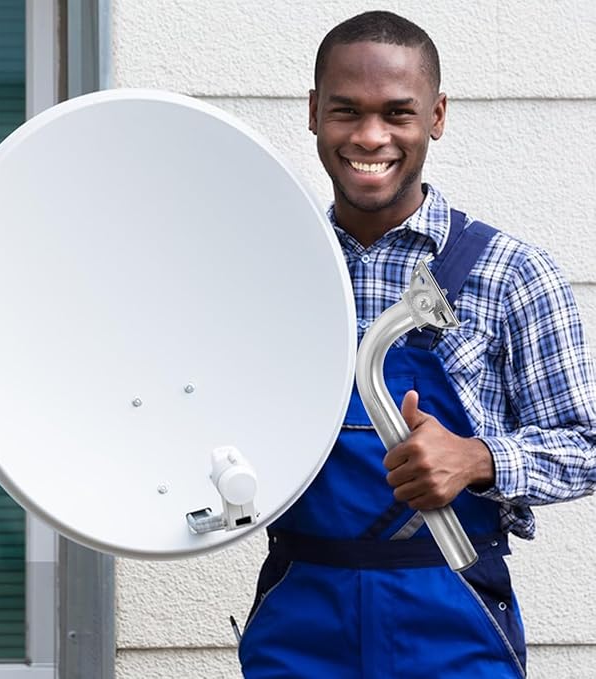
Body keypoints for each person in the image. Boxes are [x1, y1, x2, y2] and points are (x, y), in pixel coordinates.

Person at [238, 10, 596, 679]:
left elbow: (587, 447)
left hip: (452, 623)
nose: (370, 136)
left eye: (397, 113)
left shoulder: (511, 274)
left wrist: (478, 458)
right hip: (301, 623)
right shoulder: (266, 275)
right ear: (313, 113)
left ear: (436, 116)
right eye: (346, 110)